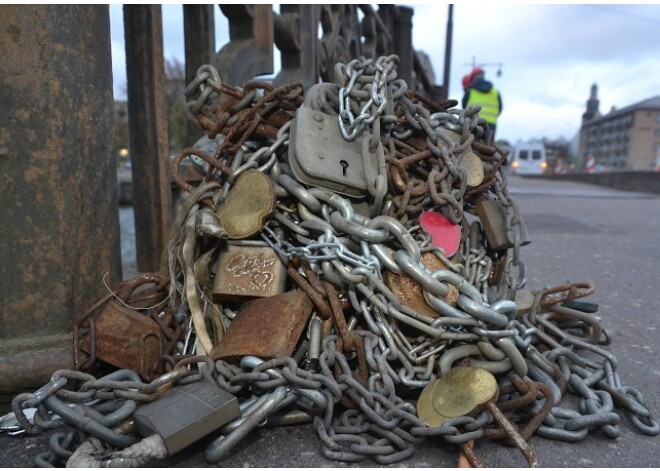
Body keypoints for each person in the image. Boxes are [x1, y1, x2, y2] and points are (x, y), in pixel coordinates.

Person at [462, 67, 503, 137]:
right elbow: (500, 109)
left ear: (473, 78)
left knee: (471, 145)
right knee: (488, 145)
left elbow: (464, 106)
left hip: (473, 123)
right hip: (491, 125)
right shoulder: (495, 92)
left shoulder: (470, 91)